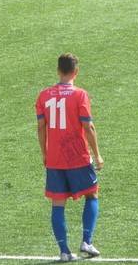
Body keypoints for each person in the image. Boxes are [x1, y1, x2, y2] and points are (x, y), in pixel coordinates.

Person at [35, 53, 104, 262]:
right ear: (76, 72)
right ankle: (86, 241)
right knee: (92, 195)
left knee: (58, 204)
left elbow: (41, 127)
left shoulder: (44, 95)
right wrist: (98, 155)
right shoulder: (80, 95)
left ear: (58, 70)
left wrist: (45, 154)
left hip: (55, 159)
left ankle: (64, 252)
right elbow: (88, 126)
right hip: (78, 157)